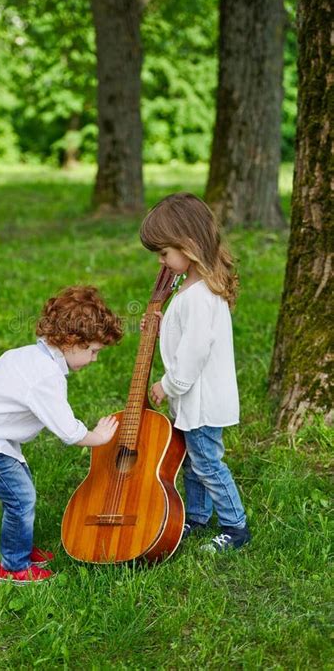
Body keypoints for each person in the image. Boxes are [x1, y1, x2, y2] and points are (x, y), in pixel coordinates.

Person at [0, 286, 123, 584]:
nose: (94, 359)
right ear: (71, 341)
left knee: (22, 490)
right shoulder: (45, 375)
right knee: (21, 499)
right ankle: (14, 566)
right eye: (93, 351)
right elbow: (68, 431)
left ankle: (20, 546)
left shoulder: (34, 358)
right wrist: (99, 437)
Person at [140, 192, 250, 552]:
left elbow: (193, 352)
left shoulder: (202, 296)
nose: (161, 261)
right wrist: (160, 319)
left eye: (164, 253)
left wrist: (167, 385)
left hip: (201, 401)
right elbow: (181, 329)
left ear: (188, 246)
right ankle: (198, 518)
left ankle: (235, 527)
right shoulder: (187, 285)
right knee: (192, 463)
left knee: (208, 465)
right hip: (193, 401)